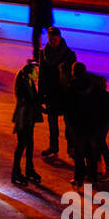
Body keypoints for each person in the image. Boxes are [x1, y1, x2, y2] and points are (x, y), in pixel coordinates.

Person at [38, 26, 76, 158]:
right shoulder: (43, 54)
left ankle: (71, 146)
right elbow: (41, 75)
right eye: (50, 39)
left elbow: (74, 75)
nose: (52, 42)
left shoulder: (69, 54)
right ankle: (53, 147)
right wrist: (41, 95)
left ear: (59, 38)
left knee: (68, 122)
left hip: (65, 93)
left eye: (54, 39)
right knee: (52, 122)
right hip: (50, 93)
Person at [65, 61, 99, 189]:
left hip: (78, 125)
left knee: (79, 153)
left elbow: (69, 108)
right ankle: (93, 177)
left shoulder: (71, 88)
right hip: (91, 125)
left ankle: (79, 179)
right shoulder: (93, 87)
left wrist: (70, 125)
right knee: (90, 152)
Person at [11, 58, 43, 186]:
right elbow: (29, 100)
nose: (37, 76)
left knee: (29, 144)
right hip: (23, 118)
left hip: (29, 117)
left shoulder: (28, 81)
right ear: (29, 74)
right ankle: (16, 172)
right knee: (22, 144)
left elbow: (34, 98)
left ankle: (29, 169)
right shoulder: (23, 84)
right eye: (35, 73)